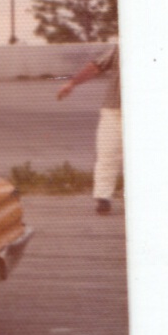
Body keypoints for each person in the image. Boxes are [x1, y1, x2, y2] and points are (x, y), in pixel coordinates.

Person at [57, 38, 122, 214]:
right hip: (114, 109)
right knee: (107, 153)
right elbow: (96, 66)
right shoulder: (120, 47)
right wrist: (72, 83)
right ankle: (103, 198)